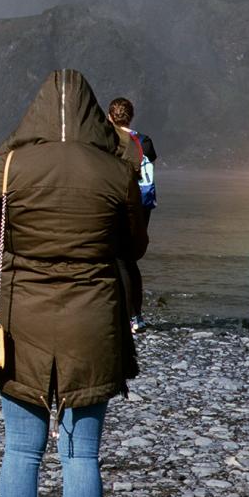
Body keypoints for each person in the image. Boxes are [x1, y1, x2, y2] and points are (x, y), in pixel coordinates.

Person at [0, 69, 146, 497]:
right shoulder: (116, 168)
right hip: (92, 318)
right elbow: (134, 246)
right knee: (80, 453)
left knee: (21, 450)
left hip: (23, 313)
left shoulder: (9, 165)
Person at [106, 96, 156, 328]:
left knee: (118, 259)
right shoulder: (144, 141)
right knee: (130, 260)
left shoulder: (109, 141)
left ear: (109, 117)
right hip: (142, 207)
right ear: (131, 115)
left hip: (118, 204)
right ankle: (136, 315)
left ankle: (126, 316)